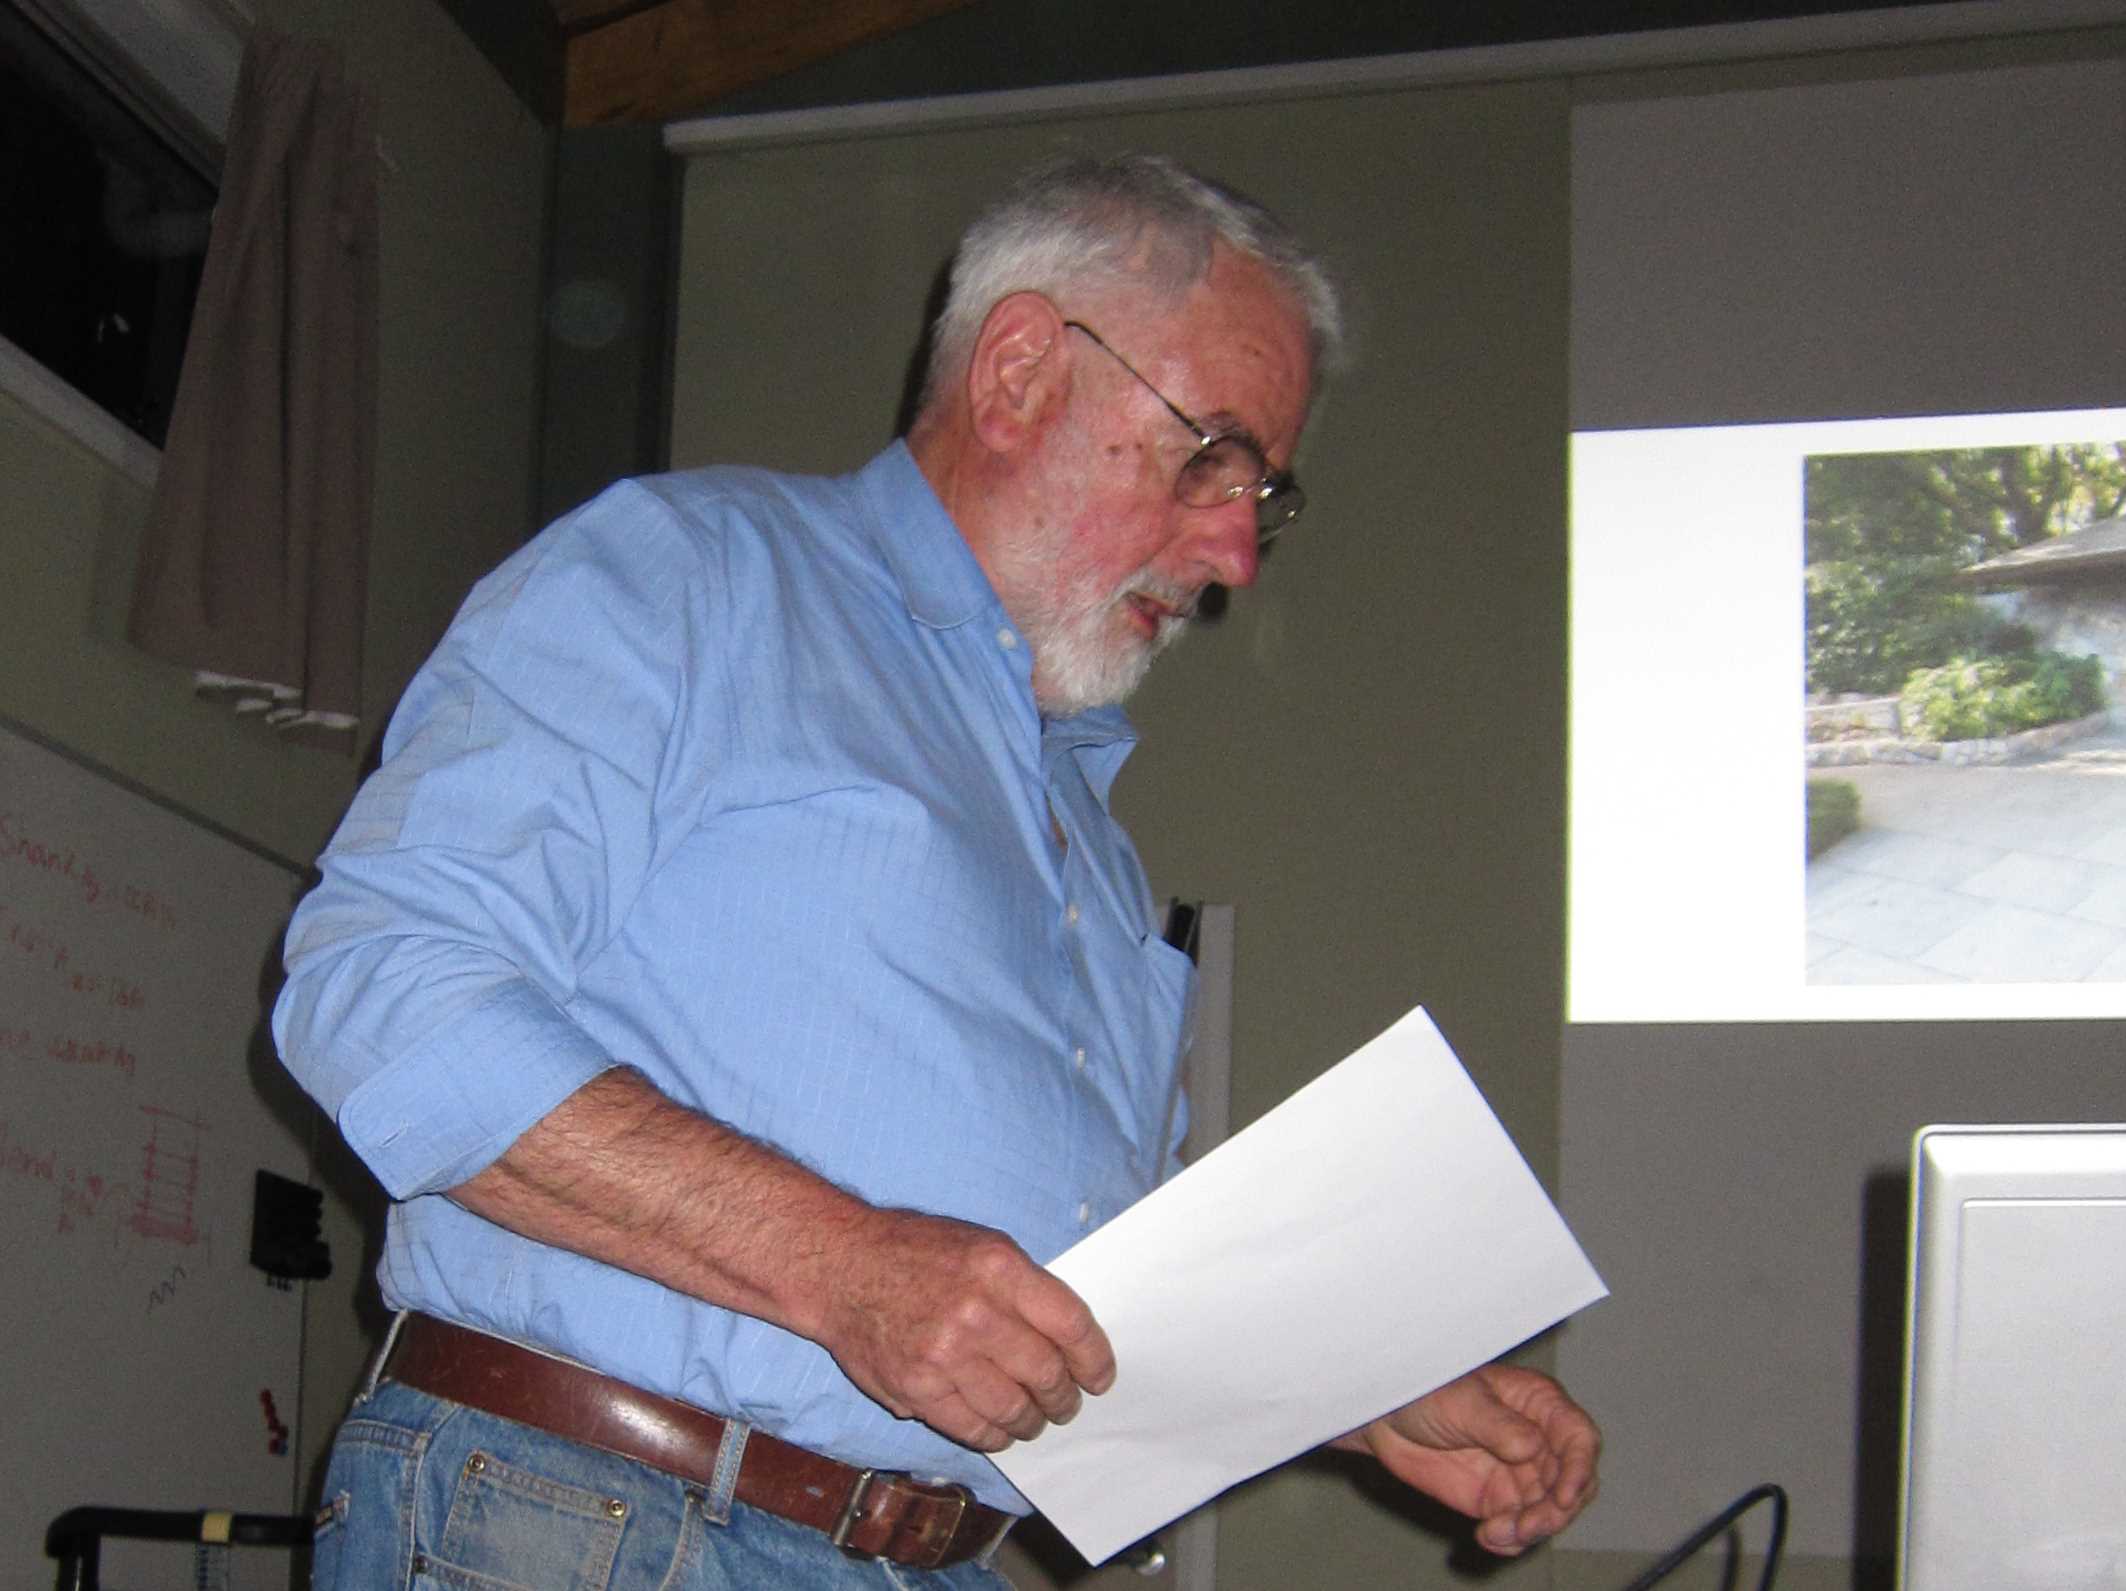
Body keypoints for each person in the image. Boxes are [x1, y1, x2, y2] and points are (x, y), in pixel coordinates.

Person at [274, 151, 1598, 1590]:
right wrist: (841, 1265)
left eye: (1260, 493)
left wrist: (1359, 1389)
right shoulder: (695, 571)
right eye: (1209, 456)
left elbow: (1064, 1298)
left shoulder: (1083, 831)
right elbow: (379, 993)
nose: (1235, 555)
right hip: (598, 1520)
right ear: (1021, 372)